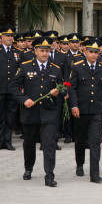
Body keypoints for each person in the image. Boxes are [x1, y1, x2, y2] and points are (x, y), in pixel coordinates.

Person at [10, 36, 63, 187]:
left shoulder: (56, 68)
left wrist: (57, 91)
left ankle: (49, 175)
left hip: (49, 112)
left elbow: (63, 86)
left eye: (47, 51)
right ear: (35, 51)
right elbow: (13, 86)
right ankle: (28, 168)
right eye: (42, 50)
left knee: (49, 143)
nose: (45, 54)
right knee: (29, 143)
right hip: (31, 111)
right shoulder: (26, 67)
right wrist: (24, 99)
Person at [69, 38, 102, 183]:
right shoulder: (78, 67)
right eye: (91, 52)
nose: (93, 55)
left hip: (97, 110)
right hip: (81, 110)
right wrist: (74, 106)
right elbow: (72, 88)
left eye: (96, 52)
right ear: (85, 51)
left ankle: (95, 173)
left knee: (95, 141)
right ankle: (80, 164)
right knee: (80, 139)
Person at [0, 26, 22, 150]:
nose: (10, 38)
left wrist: (20, 88)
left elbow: (21, 72)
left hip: (13, 91)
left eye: (12, 36)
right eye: (7, 36)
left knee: (11, 117)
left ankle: (8, 141)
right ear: (2, 38)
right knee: (0, 116)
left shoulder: (18, 52)